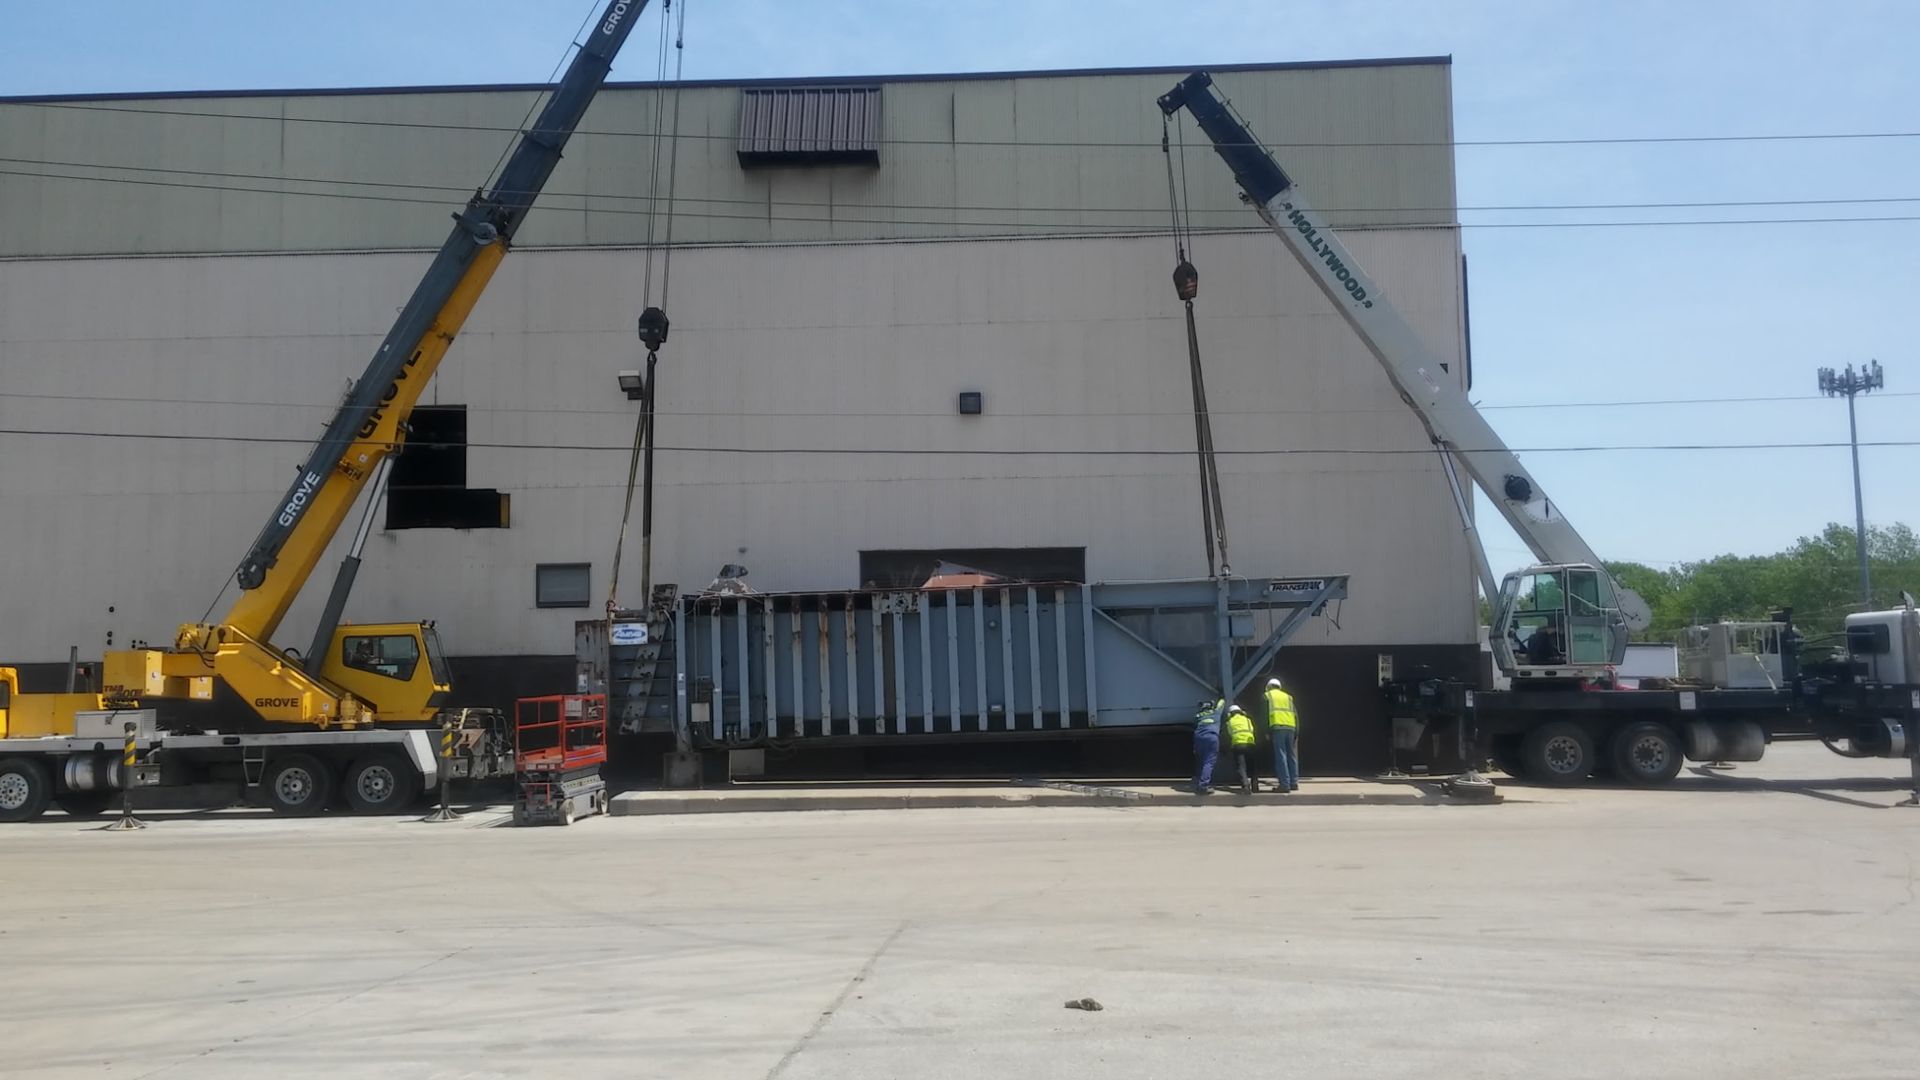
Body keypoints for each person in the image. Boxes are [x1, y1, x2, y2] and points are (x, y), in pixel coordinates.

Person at [1264, 677, 1300, 793]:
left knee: (1281, 755)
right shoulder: (1288, 697)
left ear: (1269, 686)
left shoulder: (1267, 696)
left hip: (1277, 727)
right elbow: (1295, 715)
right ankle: (1294, 782)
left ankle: (1284, 784)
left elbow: (1263, 715)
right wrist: (1297, 731)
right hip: (1291, 728)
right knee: (1292, 755)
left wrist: (1265, 731)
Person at [1224, 704, 1257, 795]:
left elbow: (1229, 733)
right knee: (1252, 766)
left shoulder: (1230, 721)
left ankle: (1246, 787)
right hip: (1250, 744)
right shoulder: (1248, 720)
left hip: (1238, 744)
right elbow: (1252, 730)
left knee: (1241, 767)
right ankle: (1255, 786)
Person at [1191, 699, 1222, 795]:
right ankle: (1203, 786)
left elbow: (1195, 724)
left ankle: (1197, 781)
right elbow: (1222, 703)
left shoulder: (1197, 716)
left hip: (1198, 738)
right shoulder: (1216, 713)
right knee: (1208, 762)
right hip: (1211, 738)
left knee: (1200, 760)